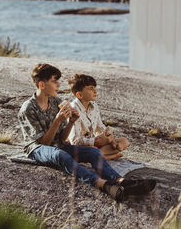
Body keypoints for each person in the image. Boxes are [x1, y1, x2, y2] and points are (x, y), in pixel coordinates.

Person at [18, 63, 156, 202]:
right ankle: (104, 185)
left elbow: (62, 138)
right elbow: (44, 143)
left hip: (58, 145)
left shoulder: (56, 102)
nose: (58, 85)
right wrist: (57, 121)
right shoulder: (28, 108)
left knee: (93, 152)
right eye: (54, 81)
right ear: (42, 85)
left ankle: (120, 181)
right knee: (61, 155)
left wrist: (71, 121)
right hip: (37, 149)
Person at [67, 74, 128, 160]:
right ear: (79, 95)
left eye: (94, 88)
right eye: (91, 88)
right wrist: (94, 141)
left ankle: (101, 156)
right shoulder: (73, 109)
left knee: (123, 141)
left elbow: (100, 128)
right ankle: (106, 156)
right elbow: (74, 141)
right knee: (94, 150)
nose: (95, 91)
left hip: (93, 144)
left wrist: (110, 138)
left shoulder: (94, 106)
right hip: (78, 147)